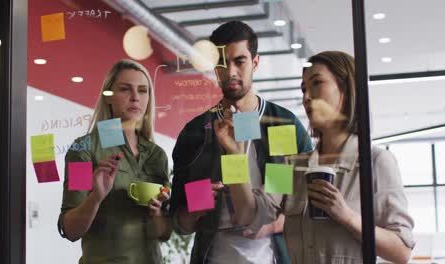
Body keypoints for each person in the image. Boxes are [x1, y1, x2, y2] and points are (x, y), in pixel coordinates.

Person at [169, 21, 312, 263]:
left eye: (240, 61)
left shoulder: (282, 126)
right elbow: (179, 222)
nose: (231, 72)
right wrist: (195, 209)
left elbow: (308, 209)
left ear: (255, 62)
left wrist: (273, 224)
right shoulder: (195, 134)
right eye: (223, 63)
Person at [280, 51, 415, 263]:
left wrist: (346, 216)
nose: (306, 97)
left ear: (346, 88)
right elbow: (252, 214)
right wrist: (235, 153)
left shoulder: (378, 161)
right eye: (304, 89)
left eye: (317, 83)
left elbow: (402, 251)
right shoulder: (291, 164)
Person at [57, 59, 172, 263]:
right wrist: (96, 197)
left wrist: (157, 214)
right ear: (108, 97)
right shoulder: (83, 149)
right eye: (125, 89)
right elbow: (71, 230)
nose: (135, 97)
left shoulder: (157, 155)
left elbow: (163, 234)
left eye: (143, 90)